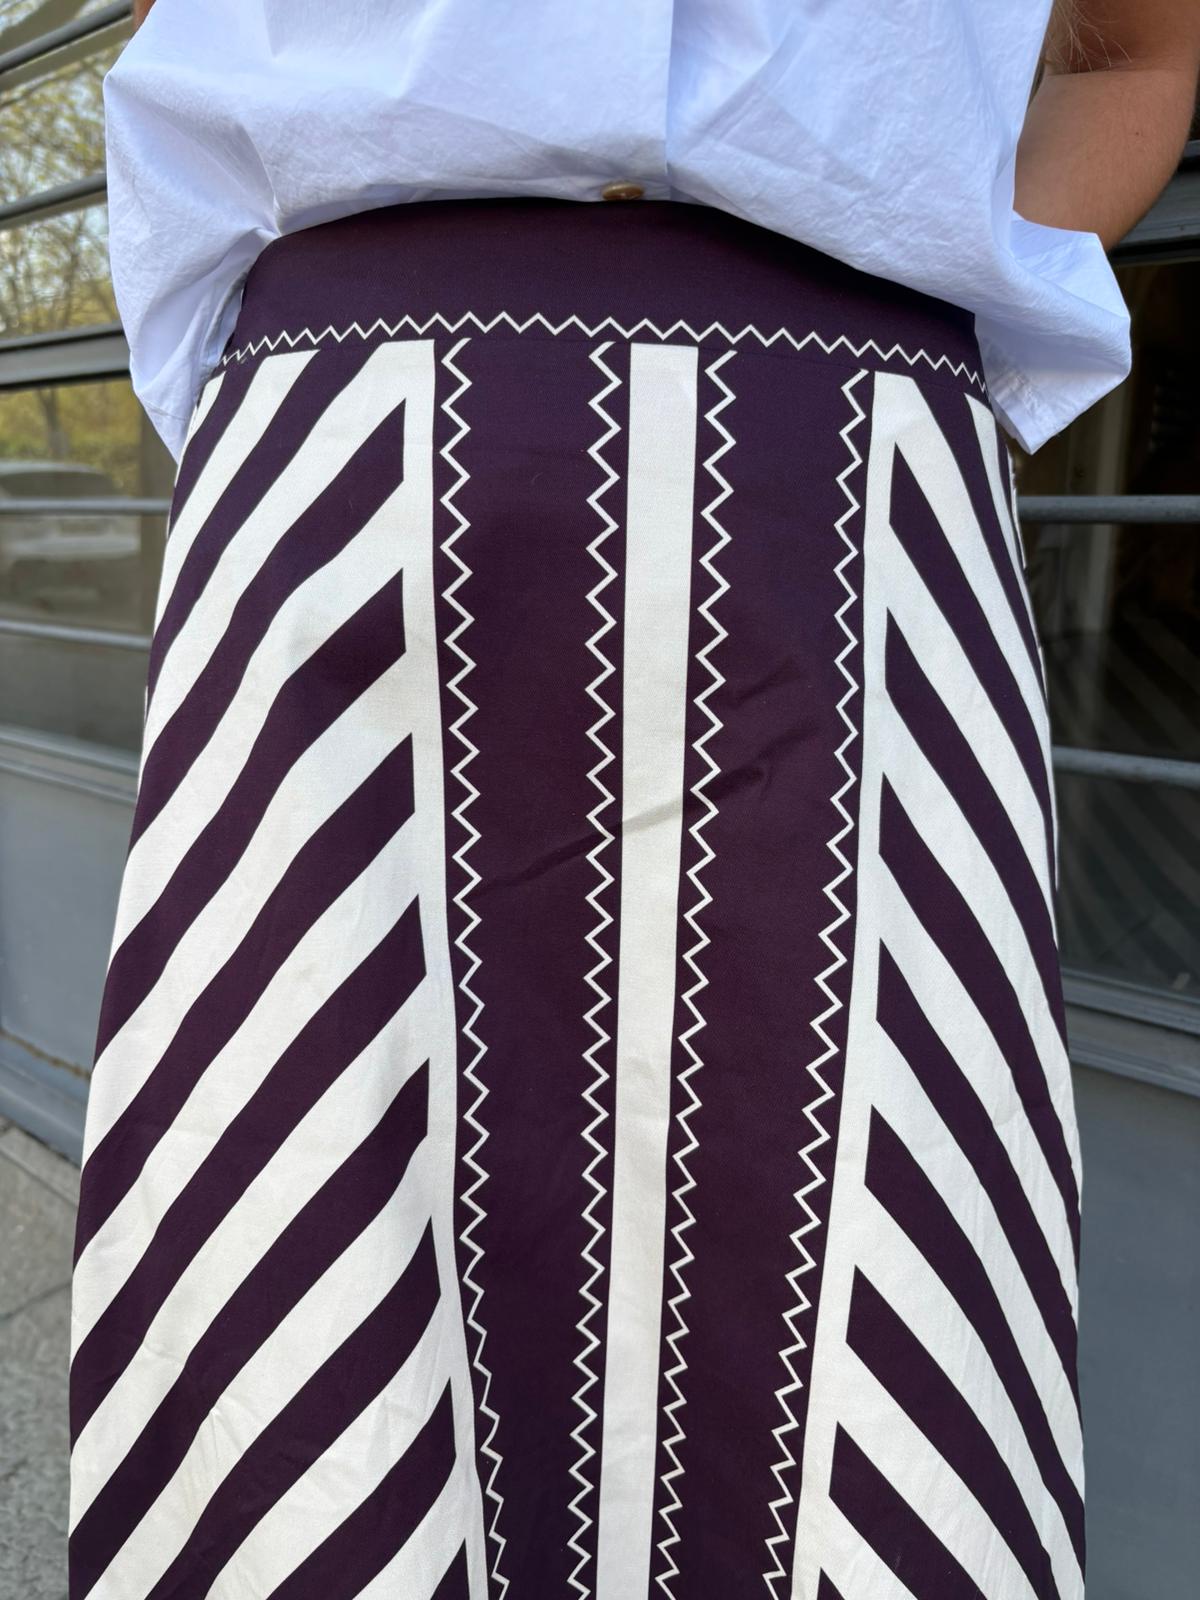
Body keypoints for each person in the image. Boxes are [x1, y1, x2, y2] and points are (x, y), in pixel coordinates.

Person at [66, 4, 1200, 1598]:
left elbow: (1137, 50)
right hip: (342, 468)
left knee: (877, 1286)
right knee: (296, 1274)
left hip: (861, 490)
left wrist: (936, 255)